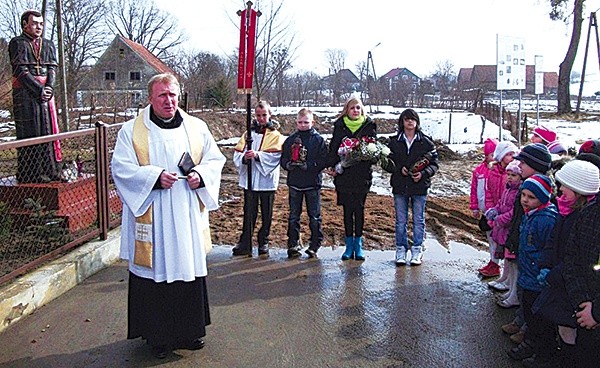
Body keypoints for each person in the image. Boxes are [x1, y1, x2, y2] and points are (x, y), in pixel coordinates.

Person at [111, 73, 226, 359]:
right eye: (162, 95)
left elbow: (215, 160)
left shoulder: (196, 127)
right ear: (150, 97)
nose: (169, 100)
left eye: (173, 94)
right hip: (154, 214)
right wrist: (153, 177)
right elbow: (121, 168)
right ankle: (157, 337)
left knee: (187, 267)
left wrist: (200, 175)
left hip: (186, 211)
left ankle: (189, 331)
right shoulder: (132, 131)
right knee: (156, 272)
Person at [526, 159, 600, 367]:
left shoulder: (582, 216)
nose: (559, 191)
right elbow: (573, 258)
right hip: (577, 295)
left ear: (578, 190)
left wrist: (593, 309)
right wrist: (583, 302)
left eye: (563, 186)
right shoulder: (579, 214)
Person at [502, 143, 553, 345]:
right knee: (525, 291)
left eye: (523, 162)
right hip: (523, 248)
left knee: (532, 296)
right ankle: (520, 321)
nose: (519, 165)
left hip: (535, 261)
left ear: (535, 165)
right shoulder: (527, 186)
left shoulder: (540, 193)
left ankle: (527, 331)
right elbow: (519, 218)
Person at [507, 174, 558, 363]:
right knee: (529, 312)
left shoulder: (546, 220)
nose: (525, 200)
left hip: (537, 279)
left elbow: (547, 249)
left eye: (531, 197)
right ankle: (530, 344)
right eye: (523, 195)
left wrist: (541, 270)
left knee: (538, 319)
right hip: (527, 274)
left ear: (543, 198)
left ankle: (539, 352)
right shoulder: (531, 215)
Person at [9, 9, 61, 183]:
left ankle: (51, 169)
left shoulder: (48, 44)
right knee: (31, 132)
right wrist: (39, 89)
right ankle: (32, 173)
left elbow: (52, 68)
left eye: (41, 23)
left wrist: (49, 88)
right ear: (25, 24)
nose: (39, 27)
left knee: (48, 130)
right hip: (26, 94)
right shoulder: (17, 43)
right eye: (34, 23)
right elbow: (20, 71)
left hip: (45, 95)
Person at [382, 108, 438, 266]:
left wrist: (424, 174)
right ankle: (400, 249)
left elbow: (434, 164)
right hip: (400, 186)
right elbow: (387, 163)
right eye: (407, 119)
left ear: (417, 122)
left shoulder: (426, 142)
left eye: (413, 119)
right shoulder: (394, 142)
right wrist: (399, 169)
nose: (410, 122)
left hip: (419, 187)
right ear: (402, 121)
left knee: (418, 220)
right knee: (401, 221)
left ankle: (417, 249)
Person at [325, 96, 376, 261]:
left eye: (358, 108)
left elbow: (373, 150)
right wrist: (332, 166)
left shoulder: (369, 125)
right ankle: (348, 246)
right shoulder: (340, 126)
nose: (355, 111)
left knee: (359, 209)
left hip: (361, 175)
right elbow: (333, 148)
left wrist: (365, 155)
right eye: (352, 108)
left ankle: (358, 245)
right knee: (347, 210)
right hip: (344, 176)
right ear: (346, 110)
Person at [232, 100, 284, 257]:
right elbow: (237, 153)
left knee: (266, 212)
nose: (261, 118)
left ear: (270, 115)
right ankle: (245, 241)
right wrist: (244, 158)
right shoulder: (248, 133)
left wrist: (258, 156)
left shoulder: (276, 136)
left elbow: (276, 156)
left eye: (264, 115)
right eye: (258, 115)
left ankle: (264, 241)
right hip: (250, 179)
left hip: (266, 180)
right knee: (249, 211)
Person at [561, 180, 600, 368]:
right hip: (585, 312)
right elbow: (572, 260)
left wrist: (597, 312)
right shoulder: (590, 214)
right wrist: (583, 303)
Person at [280, 108, 328, 259]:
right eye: (300, 122)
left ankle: (315, 244)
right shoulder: (290, 140)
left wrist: (310, 166)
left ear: (312, 122)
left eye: (306, 122)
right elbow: (283, 159)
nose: (303, 125)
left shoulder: (318, 140)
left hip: (312, 183)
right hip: (295, 183)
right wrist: (288, 165)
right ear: (296, 122)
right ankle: (293, 243)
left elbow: (323, 160)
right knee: (294, 216)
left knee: (314, 216)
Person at [478, 140, 518, 277]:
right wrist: (490, 211)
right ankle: (493, 263)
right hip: (495, 212)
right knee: (493, 238)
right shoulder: (492, 172)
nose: (512, 157)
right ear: (500, 156)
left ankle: (505, 274)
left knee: (507, 245)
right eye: (509, 154)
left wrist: (502, 215)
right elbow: (488, 193)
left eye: (514, 153)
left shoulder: (514, 174)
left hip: (507, 215)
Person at [486, 160, 522, 308]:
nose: (510, 177)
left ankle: (514, 292)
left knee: (514, 263)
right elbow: (502, 203)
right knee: (509, 260)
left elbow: (514, 213)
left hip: (509, 230)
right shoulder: (508, 189)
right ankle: (509, 285)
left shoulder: (518, 192)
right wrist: (495, 209)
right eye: (508, 174)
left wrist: (500, 218)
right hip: (505, 231)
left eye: (514, 175)